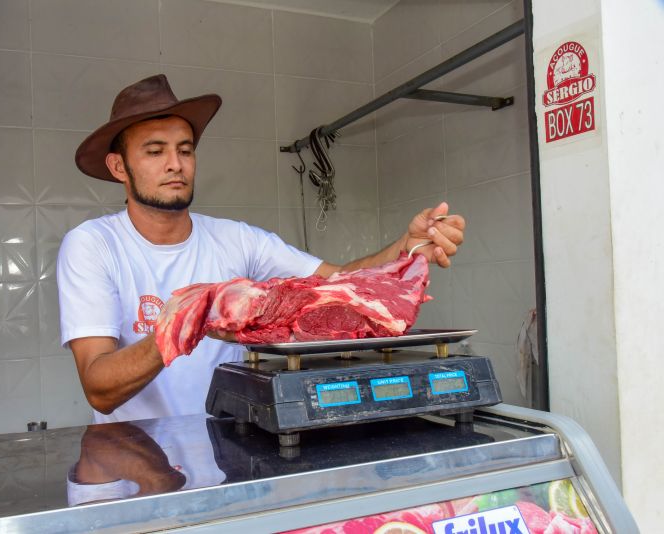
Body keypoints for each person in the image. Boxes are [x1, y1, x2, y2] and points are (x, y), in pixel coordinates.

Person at [57, 74, 465, 424]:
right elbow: (99, 388)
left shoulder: (237, 239)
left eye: (185, 150)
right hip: (137, 458)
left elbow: (341, 282)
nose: (175, 164)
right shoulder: (94, 244)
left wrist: (405, 247)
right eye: (154, 151)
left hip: (230, 442)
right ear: (118, 167)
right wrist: (186, 322)